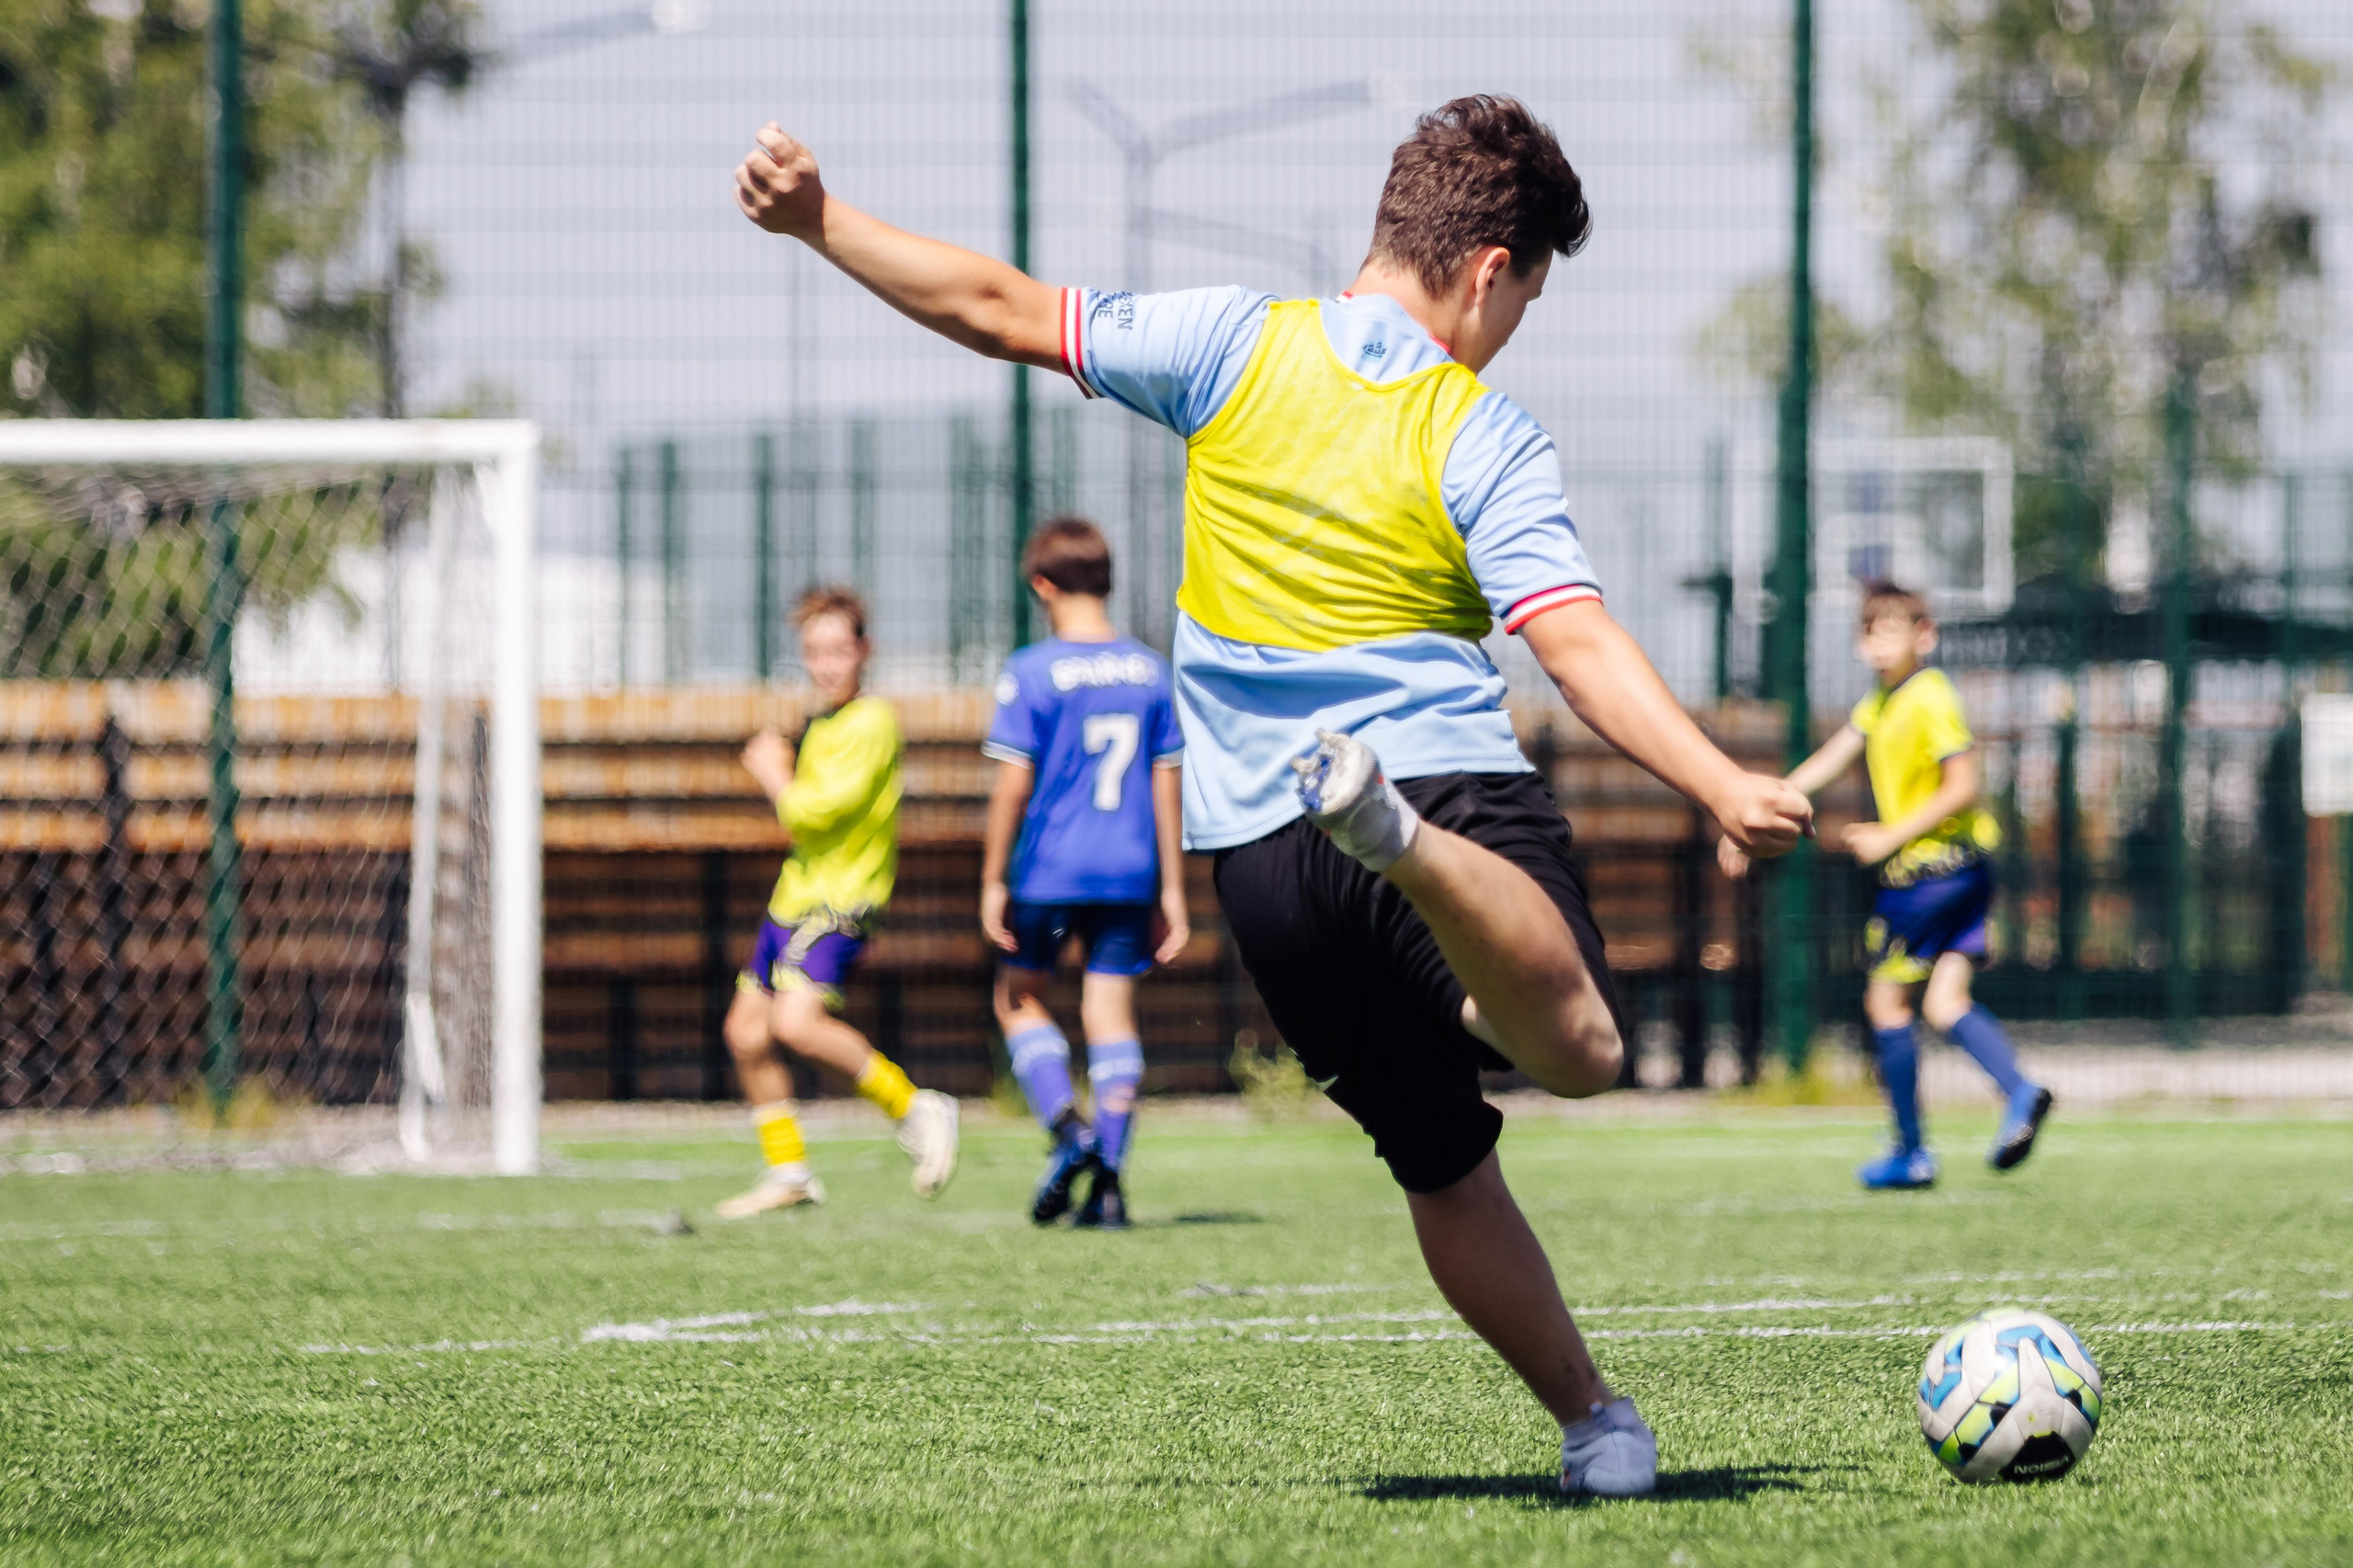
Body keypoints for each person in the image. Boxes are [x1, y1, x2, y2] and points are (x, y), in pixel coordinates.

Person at [734, 94, 1811, 1496]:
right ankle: (1412, 849)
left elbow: (1000, 306)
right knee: (1583, 1049)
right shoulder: (1474, 424)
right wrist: (1718, 777)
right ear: (1491, 268)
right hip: (1435, 782)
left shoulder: (1231, 343)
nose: (1514, 328)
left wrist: (823, 223)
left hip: (1263, 856)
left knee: (1443, 1161)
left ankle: (1595, 1420)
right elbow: (1574, 639)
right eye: (1527, 298)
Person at [1721, 583, 2052, 1189]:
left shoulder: (1929, 697)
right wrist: (1753, 808)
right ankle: (2020, 1091)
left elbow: (1963, 786)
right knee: (1945, 1002)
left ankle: (1910, 1150)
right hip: (1967, 872)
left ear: (1925, 636)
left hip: (1928, 875)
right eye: (1870, 631)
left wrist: (1890, 836)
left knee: (1885, 1003)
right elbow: (1830, 758)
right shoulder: (1883, 699)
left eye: (1893, 631)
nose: (1878, 644)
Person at [715, 585, 960, 1218]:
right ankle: (789, 1171)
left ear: (864, 651)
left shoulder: (873, 722)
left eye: (837, 651)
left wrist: (773, 772)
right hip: (792, 901)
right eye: (813, 652)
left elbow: (813, 812)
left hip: (839, 904)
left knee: (796, 1024)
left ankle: (915, 1107)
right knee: (745, 1033)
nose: (825, 665)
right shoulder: (820, 722)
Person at [980, 517, 1188, 1231]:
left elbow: (1013, 785)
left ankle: (1072, 1135)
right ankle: (1109, 1182)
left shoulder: (1033, 670)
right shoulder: (1150, 670)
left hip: (1049, 869)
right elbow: (1168, 783)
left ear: (1042, 584)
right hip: (1131, 871)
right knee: (1110, 1016)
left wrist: (992, 881)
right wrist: (1172, 890)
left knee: (1020, 998)